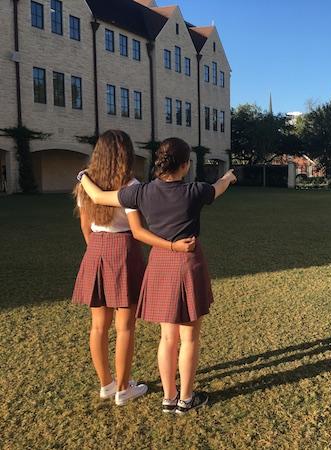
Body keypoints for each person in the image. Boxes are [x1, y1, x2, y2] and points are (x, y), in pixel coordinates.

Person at [79, 137, 237, 414]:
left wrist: (83, 176)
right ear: (186, 165)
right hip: (188, 263)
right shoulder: (195, 191)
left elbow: (98, 197)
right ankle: (186, 399)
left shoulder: (141, 192)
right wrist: (229, 176)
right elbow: (218, 187)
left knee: (167, 338)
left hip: (159, 264)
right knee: (188, 339)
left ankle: (168, 397)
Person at [72, 130, 196, 406]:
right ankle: (123, 388)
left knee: (98, 327)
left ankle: (107, 384)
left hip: (95, 249)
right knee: (125, 327)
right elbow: (137, 229)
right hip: (124, 250)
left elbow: (85, 227)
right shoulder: (131, 184)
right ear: (125, 154)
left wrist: (97, 250)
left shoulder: (86, 184)